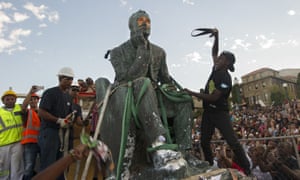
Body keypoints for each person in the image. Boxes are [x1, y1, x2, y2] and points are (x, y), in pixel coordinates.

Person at [97, 10, 194, 178]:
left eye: (148, 21)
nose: (145, 23)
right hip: (128, 96)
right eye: (140, 20)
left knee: (184, 101)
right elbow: (125, 77)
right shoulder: (117, 52)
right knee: (143, 82)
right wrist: (142, 49)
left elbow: (165, 79)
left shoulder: (160, 52)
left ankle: (185, 153)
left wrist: (171, 88)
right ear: (132, 25)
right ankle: (159, 144)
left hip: (156, 95)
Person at [184, 28, 251, 175]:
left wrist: (192, 93)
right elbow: (214, 52)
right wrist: (217, 36)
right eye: (218, 58)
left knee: (232, 141)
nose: (217, 59)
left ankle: (247, 167)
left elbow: (214, 97)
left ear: (226, 63)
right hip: (209, 112)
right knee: (204, 142)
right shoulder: (216, 68)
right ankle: (209, 165)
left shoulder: (226, 78)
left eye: (221, 58)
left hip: (220, 113)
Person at [38, 67, 75, 179]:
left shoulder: (68, 97)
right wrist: (58, 120)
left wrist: (68, 119)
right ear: (60, 78)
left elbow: (67, 116)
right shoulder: (50, 93)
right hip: (49, 133)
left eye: (71, 79)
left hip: (62, 135)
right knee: (48, 165)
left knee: (60, 165)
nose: (69, 81)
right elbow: (41, 112)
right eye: (66, 79)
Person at [0, 89, 25, 180]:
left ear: (15, 100)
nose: (10, 101)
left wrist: (30, 92)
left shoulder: (19, 108)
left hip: (17, 143)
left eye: (12, 99)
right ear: (3, 101)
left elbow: (26, 106)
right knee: (3, 168)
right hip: (3, 145)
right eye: (7, 99)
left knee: (17, 168)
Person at [21, 86, 42, 180]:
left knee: (43, 166)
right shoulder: (27, 112)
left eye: (35, 99)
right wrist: (30, 92)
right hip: (30, 143)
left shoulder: (42, 112)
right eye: (31, 99)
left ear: (38, 101)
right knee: (29, 168)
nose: (33, 101)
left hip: (42, 142)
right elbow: (23, 107)